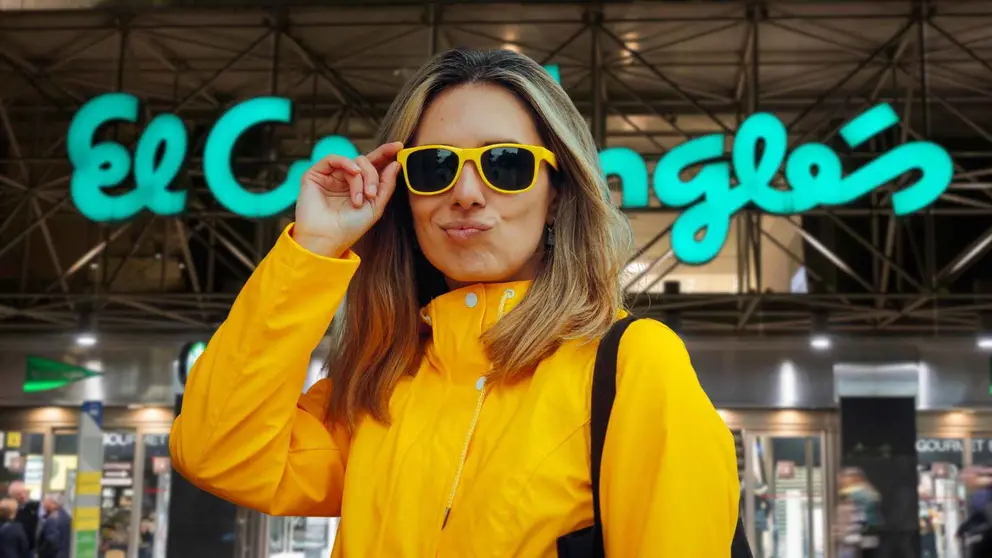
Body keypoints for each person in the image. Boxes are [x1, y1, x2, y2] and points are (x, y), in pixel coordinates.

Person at [170, 48, 740, 557]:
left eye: (506, 164)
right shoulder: (383, 383)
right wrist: (315, 247)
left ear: (558, 193)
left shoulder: (632, 365)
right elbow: (218, 451)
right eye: (435, 167)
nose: (465, 194)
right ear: (405, 194)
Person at [5, 483, 37, 557]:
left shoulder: (34, 507)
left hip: (30, 548)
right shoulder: (7, 509)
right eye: (18, 494)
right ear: (11, 496)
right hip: (12, 549)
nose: (22, 496)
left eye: (24, 492)